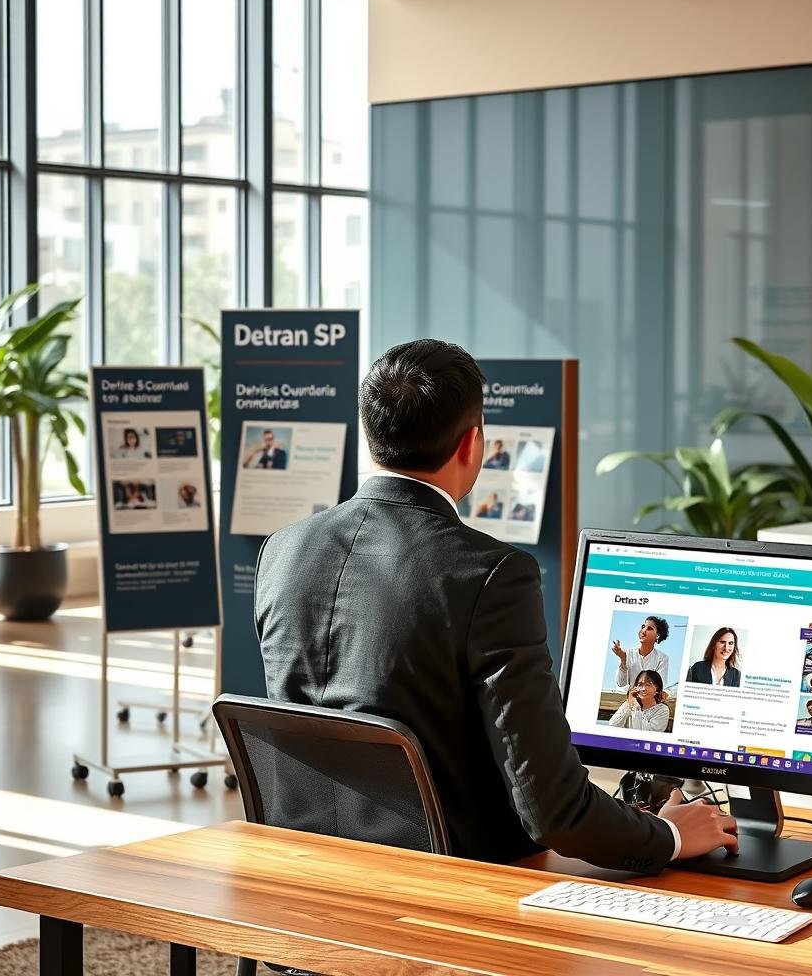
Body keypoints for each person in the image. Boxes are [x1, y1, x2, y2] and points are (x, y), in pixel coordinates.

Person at [254, 338, 737, 873]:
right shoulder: (489, 574)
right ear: (473, 444)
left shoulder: (283, 549)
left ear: (371, 438)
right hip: (452, 889)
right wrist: (670, 834)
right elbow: (555, 813)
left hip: (306, 875)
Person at [612, 616, 671, 691]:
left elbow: (659, 685)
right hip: (631, 699)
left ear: (657, 636)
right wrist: (623, 659)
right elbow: (621, 683)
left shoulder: (662, 658)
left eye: (649, 628)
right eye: (643, 627)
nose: (643, 631)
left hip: (650, 701)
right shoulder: (628, 654)